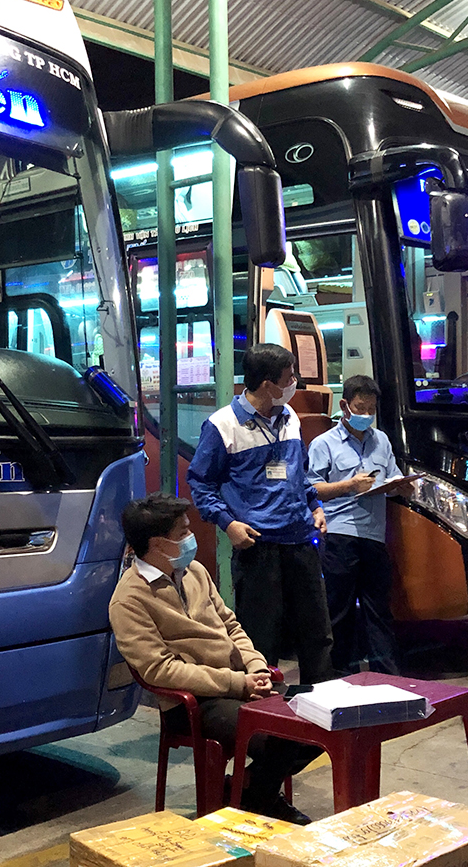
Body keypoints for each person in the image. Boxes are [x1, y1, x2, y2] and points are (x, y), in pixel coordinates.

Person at [109, 493, 318, 824]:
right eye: (183, 532)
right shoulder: (129, 599)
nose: (190, 537)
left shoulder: (195, 571)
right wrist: (237, 683)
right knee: (281, 734)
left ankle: (246, 790)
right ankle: (257, 798)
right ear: (158, 544)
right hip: (193, 703)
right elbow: (159, 670)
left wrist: (257, 667)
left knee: (322, 718)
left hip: (239, 683)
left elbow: (231, 626)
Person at [186, 343, 334, 684]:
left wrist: (315, 506)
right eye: (289, 377)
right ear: (268, 384)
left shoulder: (290, 416)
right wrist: (228, 524)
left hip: (300, 539)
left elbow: (300, 473)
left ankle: (321, 702)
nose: (295, 383)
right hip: (257, 545)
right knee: (260, 636)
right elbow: (200, 483)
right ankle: (262, 705)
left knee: (317, 632)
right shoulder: (223, 425)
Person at [308, 374, 414, 675]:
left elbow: (392, 477)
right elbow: (311, 489)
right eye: (360, 407)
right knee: (338, 610)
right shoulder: (323, 444)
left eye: (371, 409)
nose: (366, 414)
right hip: (339, 534)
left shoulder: (381, 440)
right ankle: (336, 675)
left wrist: (401, 487)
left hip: (374, 536)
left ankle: (386, 676)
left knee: (378, 610)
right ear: (345, 406)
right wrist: (349, 485)